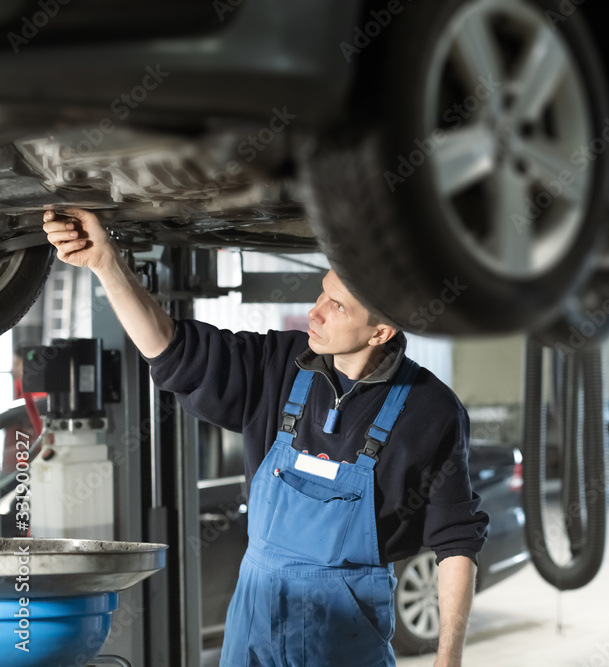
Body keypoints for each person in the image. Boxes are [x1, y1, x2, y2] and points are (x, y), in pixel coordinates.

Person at [43, 207, 488, 666]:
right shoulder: (281, 363)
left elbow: (456, 541)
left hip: (342, 640)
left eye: (336, 306)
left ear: (381, 331)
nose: (315, 313)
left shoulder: (430, 412)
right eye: (322, 293)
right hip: (252, 626)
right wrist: (106, 263)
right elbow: (174, 352)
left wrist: (448, 658)